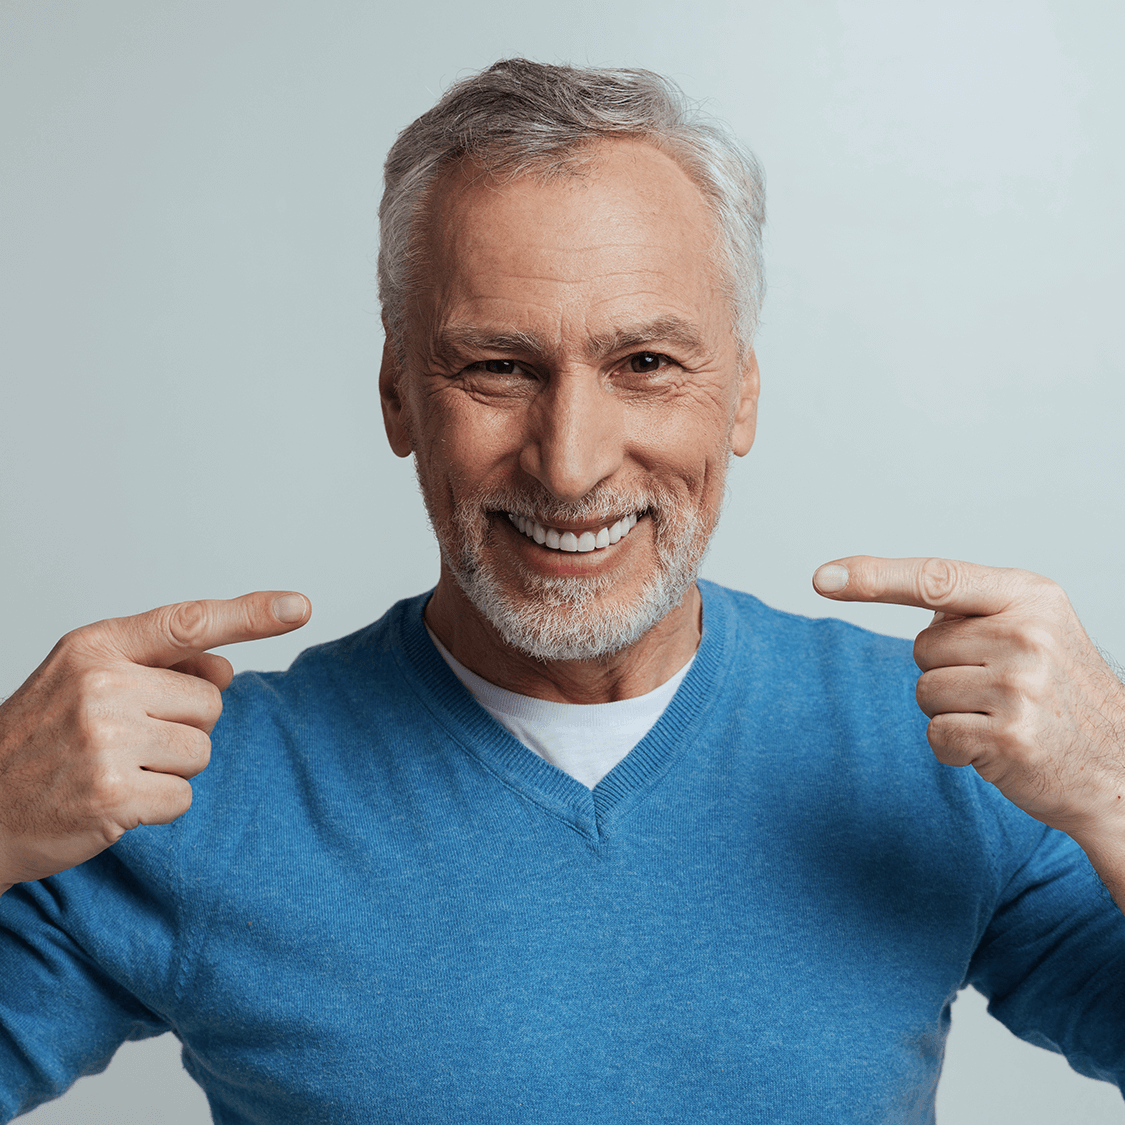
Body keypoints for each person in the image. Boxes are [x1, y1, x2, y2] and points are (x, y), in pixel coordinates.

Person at [1, 58, 1123, 1122]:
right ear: (399, 396)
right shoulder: (195, 790)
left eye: (644, 364)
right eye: (497, 367)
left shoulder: (934, 751)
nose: (570, 462)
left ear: (740, 395)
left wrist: (1116, 788)